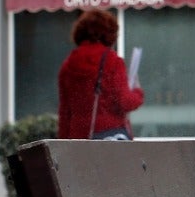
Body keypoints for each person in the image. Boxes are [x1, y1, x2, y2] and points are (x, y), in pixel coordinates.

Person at [57, 8, 143, 141]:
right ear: (110, 34)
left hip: (78, 140)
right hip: (110, 138)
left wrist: (63, 144)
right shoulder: (112, 61)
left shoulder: (67, 66)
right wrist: (137, 92)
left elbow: (64, 113)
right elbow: (124, 102)